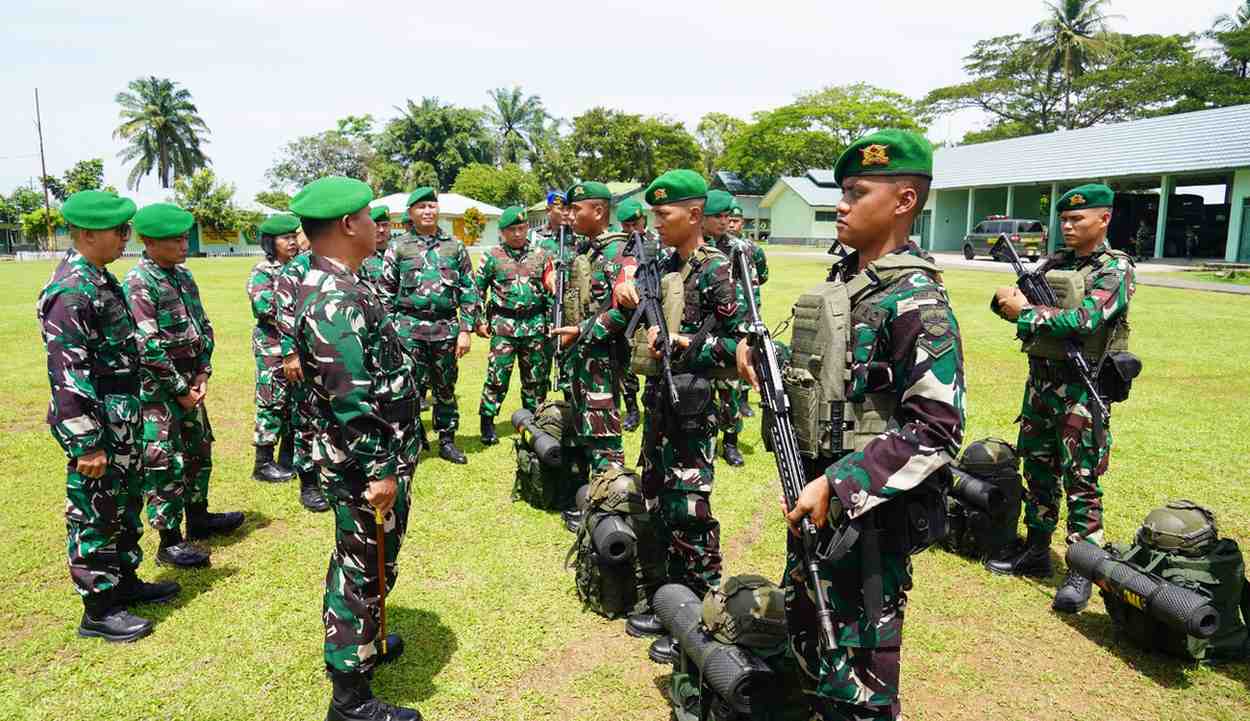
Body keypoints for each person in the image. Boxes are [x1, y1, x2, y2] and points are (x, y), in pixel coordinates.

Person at [740, 130, 965, 721]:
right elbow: (835, 379)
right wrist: (765, 359)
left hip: (868, 519)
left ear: (904, 201)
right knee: (810, 635)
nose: (841, 205)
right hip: (815, 498)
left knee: (859, 674)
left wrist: (839, 485)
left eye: (857, 192)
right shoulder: (848, 284)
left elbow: (936, 428)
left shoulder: (915, 300)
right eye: (842, 192)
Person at [575, 170, 742, 661]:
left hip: (692, 406)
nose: (656, 222)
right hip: (659, 403)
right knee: (658, 500)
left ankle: (700, 617)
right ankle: (670, 600)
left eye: (664, 214)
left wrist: (686, 343)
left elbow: (740, 347)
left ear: (694, 214)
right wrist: (624, 294)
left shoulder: (715, 270)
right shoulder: (662, 264)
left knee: (690, 510)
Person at [288, 176, 422, 721]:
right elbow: (350, 398)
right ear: (348, 225)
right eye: (369, 217)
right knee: (359, 566)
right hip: (361, 463)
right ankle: (349, 698)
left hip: (371, 456)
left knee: (372, 558)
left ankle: (365, 645)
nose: (377, 226)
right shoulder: (333, 298)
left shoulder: (344, 281)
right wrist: (381, 468)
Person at [38, 190, 180, 643]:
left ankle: (125, 582)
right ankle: (98, 609)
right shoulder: (71, 291)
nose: (125, 237)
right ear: (86, 234)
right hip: (98, 424)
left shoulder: (100, 280)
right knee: (95, 512)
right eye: (119, 230)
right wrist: (85, 443)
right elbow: (67, 373)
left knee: (124, 505)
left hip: (123, 417)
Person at [987, 183, 1136, 614]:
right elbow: (1016, 305)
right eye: (1064, 219)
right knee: (1038, 469)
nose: (1067, 226)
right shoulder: (1055, 263)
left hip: (1081, 387)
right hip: (1041, 384)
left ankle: (1082, 568)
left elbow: (1085, 319)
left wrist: (1025, 311)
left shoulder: (1115, 268)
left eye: (1077, 219)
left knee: (1081, 479)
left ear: (1104, 219)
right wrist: (1004, 302)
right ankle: (1037, 549)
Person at [124, 203, 244, 569]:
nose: (183, 245)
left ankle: (199, 516)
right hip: (159, 392)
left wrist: (203, 372)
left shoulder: (182, 276)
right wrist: (180, 389)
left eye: (183, 238)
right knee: (163, 461)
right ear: (149, 242)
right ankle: (170, 541)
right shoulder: (140, 282)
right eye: (174, 240)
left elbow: (202, 326)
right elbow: (147, 345)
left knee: (198, 450)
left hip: (190, 384)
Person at [380, 187, 480, 464]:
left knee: (445, 388)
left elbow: (469, 290)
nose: (427, 211)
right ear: (410, 213)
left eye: (432, 206)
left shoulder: (455, 246)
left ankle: (447, 440)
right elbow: (385, 293)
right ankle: (410, 440)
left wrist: (465, 330)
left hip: (445, 328)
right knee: (407, 388)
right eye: (421, 207)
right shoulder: (398, 247)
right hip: (408, 329)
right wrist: (390, 332)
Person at [548, 182, 630, 476]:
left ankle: (609, 496)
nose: (569, 215)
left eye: (575, 209)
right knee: (582, 433)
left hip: (602, 363)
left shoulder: (619, 252)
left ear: (597, 211)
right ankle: (586, 492)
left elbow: (626, 312)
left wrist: (580, 331)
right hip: (580, 358)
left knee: (603, 442)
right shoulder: (586, 250)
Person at [475, 206, 555, 445]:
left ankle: (534, 423)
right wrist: (479, 320)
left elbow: (551, 293)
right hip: (504, 327)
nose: (518, 234)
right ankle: (487, 421)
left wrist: (552, 323)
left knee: (536, 379)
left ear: (527, 228)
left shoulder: (542, 255)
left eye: (522, 228)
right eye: (512, 230)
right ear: (502, 232)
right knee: (497, 376)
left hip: (535, 326)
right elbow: (476, 290)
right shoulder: (492, 256)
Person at [274, 228, 332, 513]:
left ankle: (335, 475)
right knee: (307, 420)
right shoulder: (298, 268)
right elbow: (284, 312)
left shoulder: (343, 261)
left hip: (339, 356)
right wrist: (290, 353)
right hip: (308, 357)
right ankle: (309, 483)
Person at [247, 213, 302, 484]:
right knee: (272, 401)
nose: (292, 242)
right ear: (271, 242)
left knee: (295, 401)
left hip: (298, 345)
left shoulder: (300, 266)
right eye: (285, 238)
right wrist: (299, 312)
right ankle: (263, 463)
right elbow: (265, 307)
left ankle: (288, 457)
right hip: (273, 346)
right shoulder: (263, 271)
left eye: (294, 236)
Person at [702, 190, 749, 466]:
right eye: (716, 216)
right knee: (702, 392)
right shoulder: (692, 247)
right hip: (700, 332)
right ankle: (705, 439)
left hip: (729, 328)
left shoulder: (739, 249)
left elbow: (751, 286)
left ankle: (730, 442)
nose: (723, 221)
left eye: (726, 216)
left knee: (729, 391)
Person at [615, 198, 653, 432]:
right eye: (626, 225)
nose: (631, 230)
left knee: (651, 363)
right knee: (625, 365)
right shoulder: (618, 248)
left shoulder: (657, 244)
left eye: (635, 224)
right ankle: (631, 409)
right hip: (626, 317)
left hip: (650, 314)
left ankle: (651, 406)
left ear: (643, 221)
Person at [728, 197, 767, 418]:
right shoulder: (718, 247)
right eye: (729, 220)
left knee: (749, 350)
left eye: (736, 221)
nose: (732, 224)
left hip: (749, 309)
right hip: (727, 307)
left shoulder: (753, 248)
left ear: (742, 222)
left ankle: (743, 400)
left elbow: (762, 275)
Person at [358, 205, 391, 291]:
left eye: (385, 225)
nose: (381, 230)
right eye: (376, 225)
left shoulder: (399, 251)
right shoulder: (359, 256)